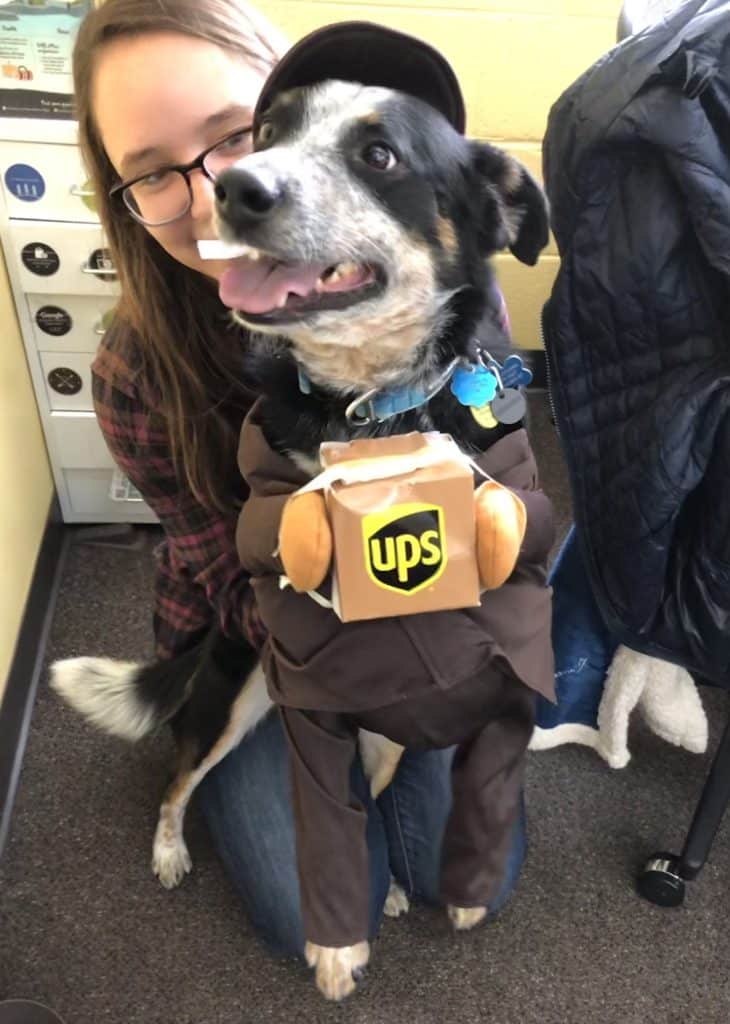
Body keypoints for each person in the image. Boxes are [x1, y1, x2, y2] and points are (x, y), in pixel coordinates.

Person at [73, 0, 528, 958]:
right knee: (309, 915)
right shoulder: (134, 374)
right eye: (151, 173)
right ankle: (185, 767)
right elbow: (232, 581)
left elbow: (503, 526)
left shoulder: (455, 315)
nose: (225, 190)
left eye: (239, 134)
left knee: (473, 868)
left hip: (421, 615)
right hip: (270, 635)